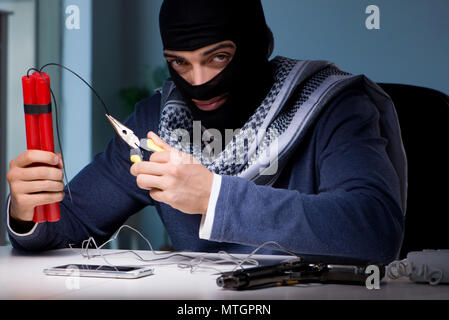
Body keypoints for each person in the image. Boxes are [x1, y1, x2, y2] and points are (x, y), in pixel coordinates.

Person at [5, 0, 407, 264]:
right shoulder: (156, 120)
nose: (198, 83)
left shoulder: (334, 107)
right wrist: (27, 209)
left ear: (259, 45)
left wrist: (214, 197)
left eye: (218, 57)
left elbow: (373, 229)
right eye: (179, 63)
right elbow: (69, 226)